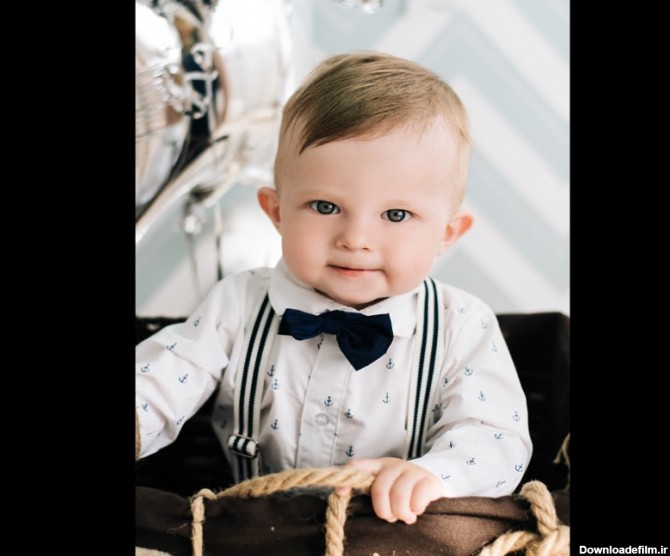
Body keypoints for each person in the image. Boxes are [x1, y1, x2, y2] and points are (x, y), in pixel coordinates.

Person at [136, 51, 532, 526]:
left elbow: (495, 437)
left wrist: (436, 475)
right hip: (254, 533)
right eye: (325, 207)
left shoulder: (461, 326)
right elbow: (166, 377)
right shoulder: (238, 303)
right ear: (277, 211)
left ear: (447, 233)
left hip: (396, 534)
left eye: (396, 215)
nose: (356, 239)